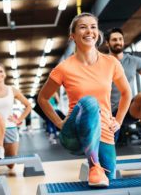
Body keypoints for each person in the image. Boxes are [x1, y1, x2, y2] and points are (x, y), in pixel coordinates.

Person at [38, 13, 131, 187]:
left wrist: (118, 121)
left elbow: (127, 93)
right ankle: (94, 166)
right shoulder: (64, 68)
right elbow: (42, 98)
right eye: (83, 27)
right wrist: (59, 123)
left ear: (98, 33)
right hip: (74, 135)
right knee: (90, 102)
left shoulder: (111, 63)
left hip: (104, 131)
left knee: (108, 182)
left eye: (93, 27)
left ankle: (97, 167)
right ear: (72, 36)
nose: (89, 31)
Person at [105, 27, 141, 161]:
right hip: (108, 112)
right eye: (114, 40)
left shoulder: (134, 61)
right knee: (105, 157)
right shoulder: (101, 62)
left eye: (120, 39)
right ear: (107, 43)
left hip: (128, 109)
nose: (118, 42)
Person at [0, 63, 31, 167]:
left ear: (5, 74)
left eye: (1, 71)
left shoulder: (12, 90)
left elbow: (28, 105)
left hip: (10, 128)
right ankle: (0, 147)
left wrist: (19, 120)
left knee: (10, 165)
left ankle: (3, 149)